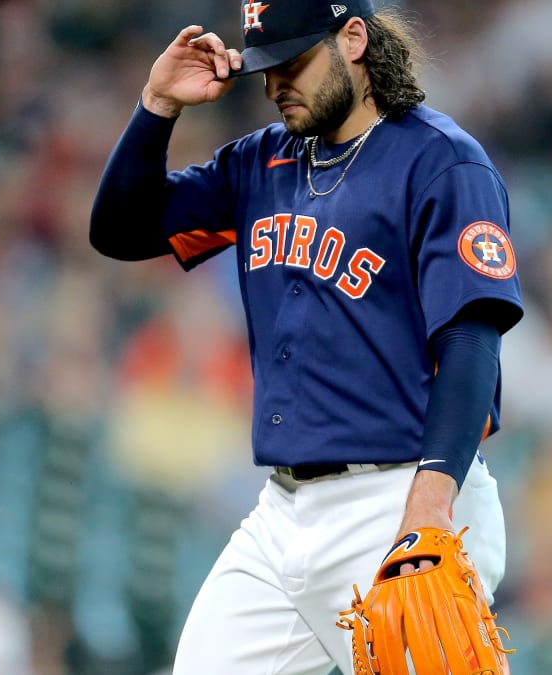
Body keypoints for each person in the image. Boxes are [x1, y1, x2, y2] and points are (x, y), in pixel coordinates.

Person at [90, 0, 524, 671]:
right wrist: (156, 105)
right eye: (265, 68)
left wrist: (430, 508)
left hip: (399, 498)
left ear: (353, 39)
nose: (273, 85)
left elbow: (471, 345)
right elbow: (119, 230)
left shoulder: (441, 163)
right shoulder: (261, 163)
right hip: (282, 510)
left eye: (292, 62)